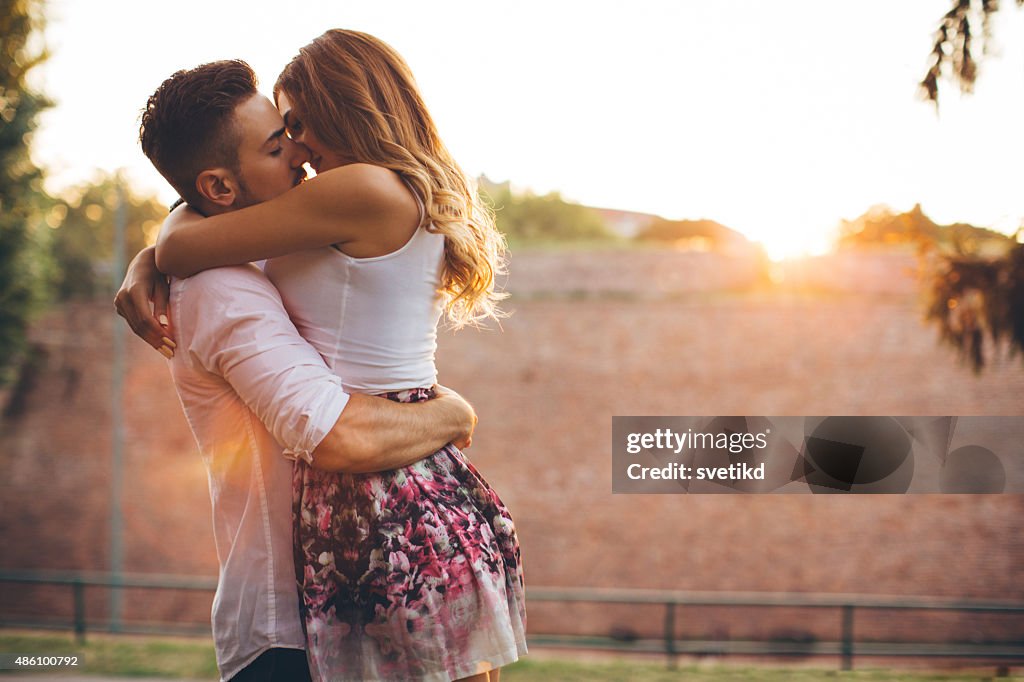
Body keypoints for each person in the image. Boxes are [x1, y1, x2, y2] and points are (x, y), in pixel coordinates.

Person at [150, 30, 527, 682]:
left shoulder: (357, 190)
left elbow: (185, 247)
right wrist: (150, 255)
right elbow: (206, 226)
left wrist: (152, 256)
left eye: (297, 125)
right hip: (399, 467)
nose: (295, 149)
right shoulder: (362, 200)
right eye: (281, 135)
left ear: (344, 107)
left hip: (381, 483)